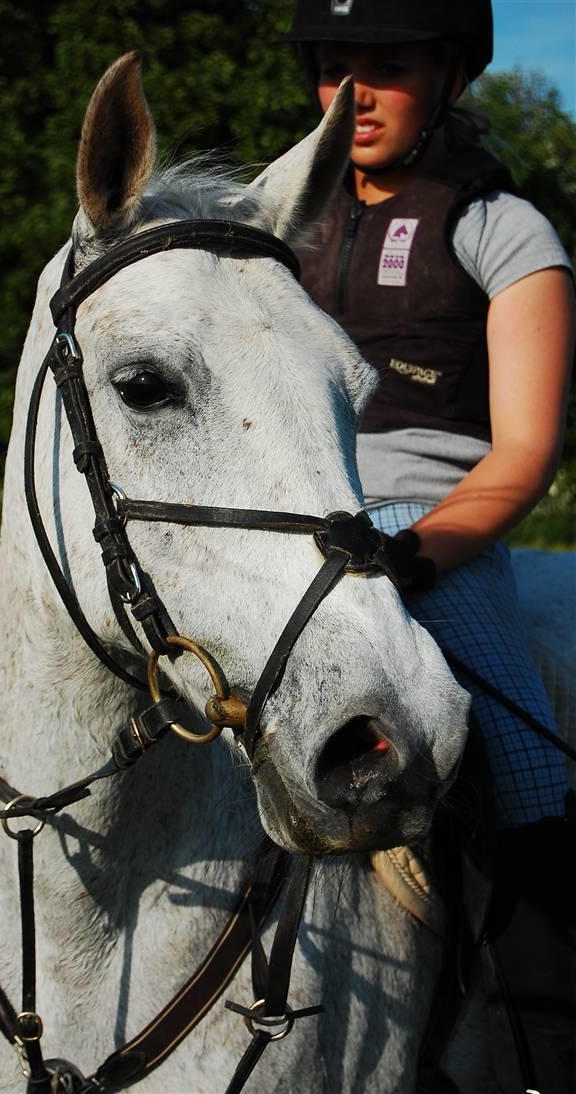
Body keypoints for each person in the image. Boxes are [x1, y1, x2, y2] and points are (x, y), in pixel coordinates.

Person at [283, 1, 575, 1089]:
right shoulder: (272, 220)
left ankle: (537, 1040)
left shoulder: (503, 229)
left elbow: (519, 456)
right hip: (278, 519)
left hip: (428, 529)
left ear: (448, 76)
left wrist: (411, 557)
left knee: (519, 757)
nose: (351, 94)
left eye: (386, 66)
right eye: (332, 67)